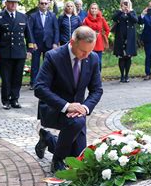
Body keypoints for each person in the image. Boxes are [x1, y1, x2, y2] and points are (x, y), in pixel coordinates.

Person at [34, 26, 103, 172]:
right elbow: (40, 88)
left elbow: (97, 90)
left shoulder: (93, 58)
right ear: (72, 42)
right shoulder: (53, 56)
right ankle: (57, 160)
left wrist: (84, 108)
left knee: (77, 156)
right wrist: (67, 106)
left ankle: (48, 138)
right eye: (83, 51)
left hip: (77, 113)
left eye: (90, 51)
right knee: (75, 129)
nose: (86, 55)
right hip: (54, 108)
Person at [0, 0, 34, 110]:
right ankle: (5, 101)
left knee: (17, 78)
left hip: (20, 52)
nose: (13, 5)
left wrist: (30, 50)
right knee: (6, 78)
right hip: (5, 52)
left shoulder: (23, 17)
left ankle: (15, 99)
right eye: (11, 2)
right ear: (6, 3)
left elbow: (28, 34)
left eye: (15, 3)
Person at [28, 0, 59, 89]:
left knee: (48, 64)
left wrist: (55, 43)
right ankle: (33, 83)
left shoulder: (52, 15)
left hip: (49, 44)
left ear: (48, 5)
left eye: (45, 3)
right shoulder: (33, 16)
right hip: (36, 44)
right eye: (42, 3)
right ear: (38, 4)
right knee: (35, 64)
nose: (44, 5)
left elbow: (56, 30)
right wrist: (32, 42)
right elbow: (30, 31)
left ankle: (47, 82)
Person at [112, 0, 138, 83]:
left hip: (130, 38)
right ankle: (122, 76)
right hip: (120, 37)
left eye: (127, 3)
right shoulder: (119, 12)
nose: (125, 4)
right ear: (121, 3)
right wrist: (121, 11)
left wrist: (129, 11)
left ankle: (127, 75)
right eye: (124, 3)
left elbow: (135, 20)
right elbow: (114, 18)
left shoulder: (132, 12)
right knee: (121, 56)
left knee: (128, 56)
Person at [83, 3, 110, 71]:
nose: (94, 10)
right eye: (92, 8)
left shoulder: (101, 19)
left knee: (99, 62)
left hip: (99, 43)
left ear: (98, 10)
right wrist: (90, 34)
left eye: (95, 8)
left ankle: (97, 78)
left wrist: (103, 36)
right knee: (90, 62)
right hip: (89, 43)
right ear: (90, 9)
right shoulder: (86, 19)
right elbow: (83, 31)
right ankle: (90, 78)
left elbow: (107, 29)